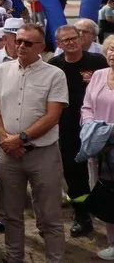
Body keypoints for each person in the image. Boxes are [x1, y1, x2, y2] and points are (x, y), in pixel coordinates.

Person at [0, 22, 68, 263]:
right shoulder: (1, 71)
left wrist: (20, 138)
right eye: (18, 40)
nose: (21, 46)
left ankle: (55, 259)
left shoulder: (55, 74)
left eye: (27, 43)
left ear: (41, 47)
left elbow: (53, 116)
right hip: (8, 153)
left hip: (42, 153)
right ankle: (14, 258)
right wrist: (5, 139)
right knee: (11, 214)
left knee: (49, 216)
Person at [48, 23, 107, 236]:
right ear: (59, 44)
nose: (72, 42)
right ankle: (82, 216)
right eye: (67, 40)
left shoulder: (97, 62)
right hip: (68, 130)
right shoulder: (54, 65)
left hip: (97, 127)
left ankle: (105, 212)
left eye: (75, 37)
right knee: (74, 176)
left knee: (104, 173)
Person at [80, 37, 114, 260]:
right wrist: (91, 126)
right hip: (99, 147)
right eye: (111, 49)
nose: (113, 53)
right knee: (108, 193)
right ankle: (113, 242)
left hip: (109, 140)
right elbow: (87, 106)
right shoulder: (99, 75)